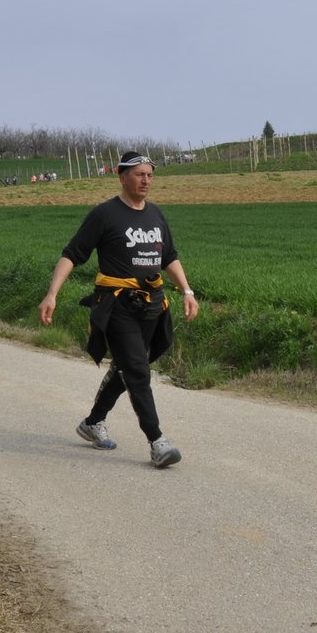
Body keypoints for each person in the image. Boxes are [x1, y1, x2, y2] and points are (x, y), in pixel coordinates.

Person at [38, 151, 199, 469]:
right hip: (116, 305)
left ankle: (93, 422)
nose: (146, 180)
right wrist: (52, 294)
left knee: (129, 368)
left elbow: (169, 257)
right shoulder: (105, 214)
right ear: (122, 176)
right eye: (139, 174)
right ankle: (157, 442)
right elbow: (72, 254)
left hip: (152, 306)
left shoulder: (155, 215)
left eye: (150, 175)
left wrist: (187, 291)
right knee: (137, 370)